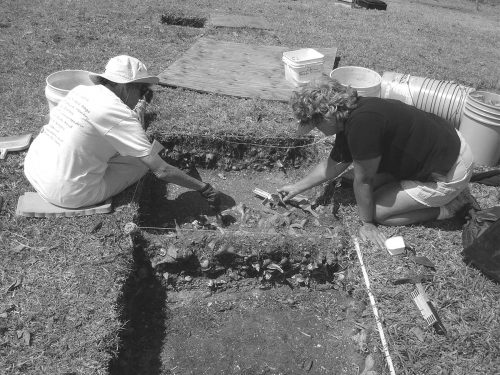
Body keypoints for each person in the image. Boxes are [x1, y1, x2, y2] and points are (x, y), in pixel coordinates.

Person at [278, 77, 475, 249]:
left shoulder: (362, 125)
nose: (315, 129)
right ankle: (407, 183)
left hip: (450, 170)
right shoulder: (353, 113)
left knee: (378, 212)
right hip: (448, 143)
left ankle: (449, 209)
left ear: (329, 113)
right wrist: (296, 188)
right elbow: (334, 164)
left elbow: (364, 181)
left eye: (316, 123)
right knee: (357, 180)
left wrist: (367, 223)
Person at [24, 55, 221, 211]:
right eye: (143, 93)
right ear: (128, 87)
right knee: (141, 163)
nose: (141, 99)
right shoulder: (119, 113)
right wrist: (203, 187)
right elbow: (162, 170)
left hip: (35, 167)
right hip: (66, 191)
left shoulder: (80, 91)